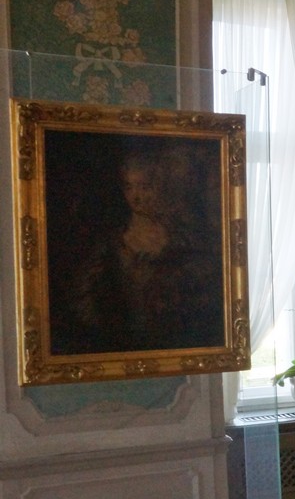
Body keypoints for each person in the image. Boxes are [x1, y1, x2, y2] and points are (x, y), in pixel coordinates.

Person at [56, 148, 225, 355]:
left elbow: (206, 296)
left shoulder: (183, 238)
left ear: (159, 188)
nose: (135, 197)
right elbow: (84, 301)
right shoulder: (113, 243)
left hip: (174, 342)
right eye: (129, 187)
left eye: (144, 187)